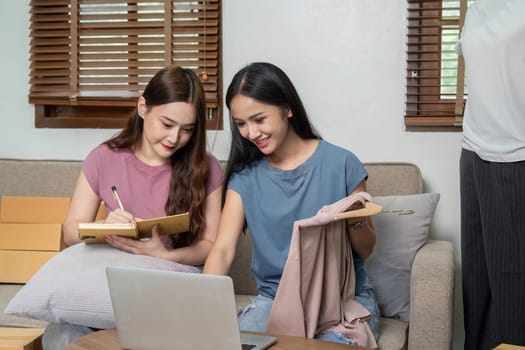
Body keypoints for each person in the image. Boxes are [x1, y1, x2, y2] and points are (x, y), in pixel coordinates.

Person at [43, 66, 224, 350]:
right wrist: (102, 228)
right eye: (167, 124)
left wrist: (167, 255)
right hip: (109, 287)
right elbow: (70, 231)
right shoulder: (103, 157)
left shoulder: (207, 167)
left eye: (187, 129)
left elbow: (211, 244)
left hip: (170, 290)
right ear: (143, 107)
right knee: (59, 337)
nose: (175, 138)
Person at [203, 62, 380, 346]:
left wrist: (355, 216)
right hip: (274, 301)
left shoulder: (342, 163)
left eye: (259, 119)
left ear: (287, 108)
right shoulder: (244, 177)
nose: (250, 132)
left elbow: (366, 249)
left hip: (340, 302)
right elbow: (223, 249)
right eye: (241, 124)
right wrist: (204, 301)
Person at [457, 0, 525, 348]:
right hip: (473, 151)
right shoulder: (477, 6)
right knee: (478, 281)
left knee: (514, 288)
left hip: (516, 153)